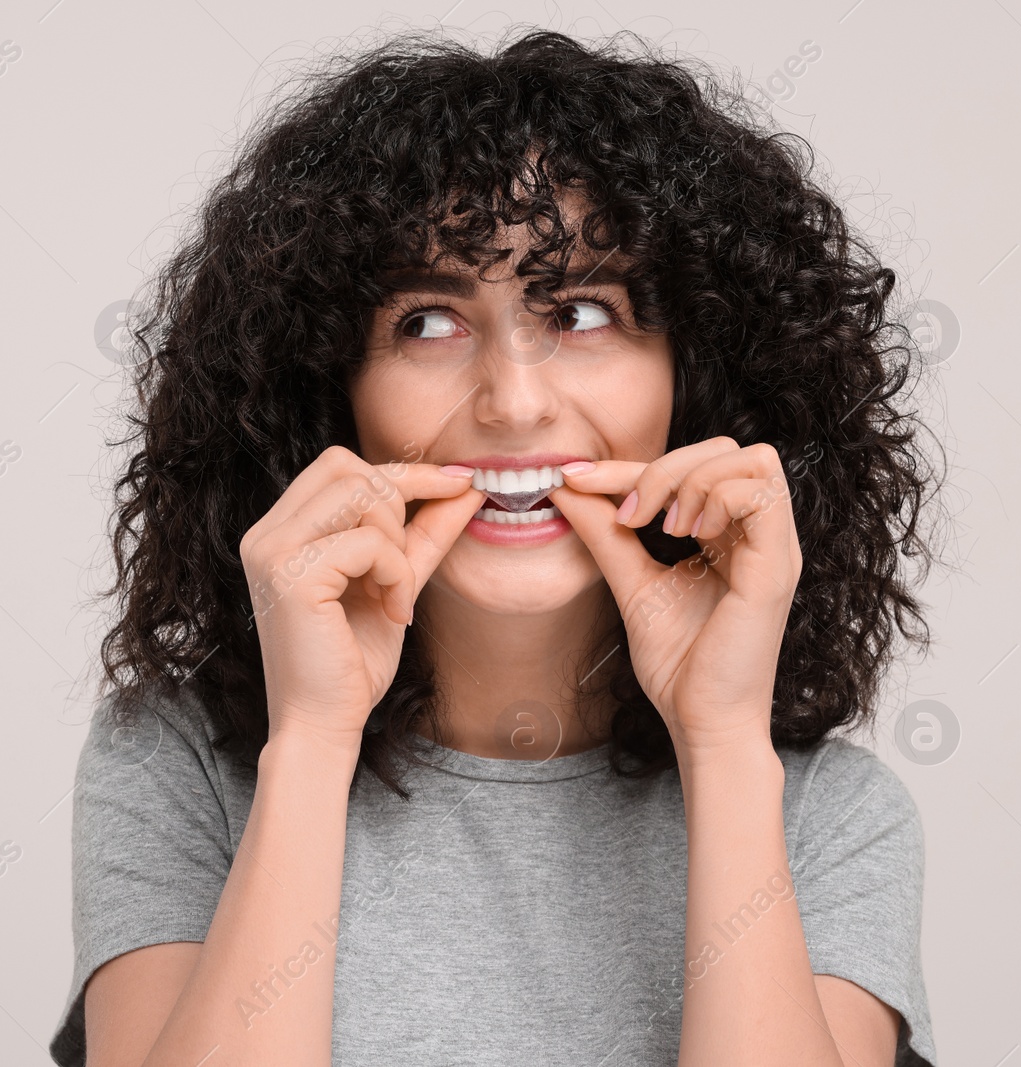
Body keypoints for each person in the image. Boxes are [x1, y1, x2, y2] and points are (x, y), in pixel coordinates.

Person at [49, 26, 942, 1067]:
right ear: (327, 392)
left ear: (693, 381)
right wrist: (312, 736)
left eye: (582, 311)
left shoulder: (833, 820)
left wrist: (723, 741)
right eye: (428, 322)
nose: (514, 404)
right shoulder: (175, 770)